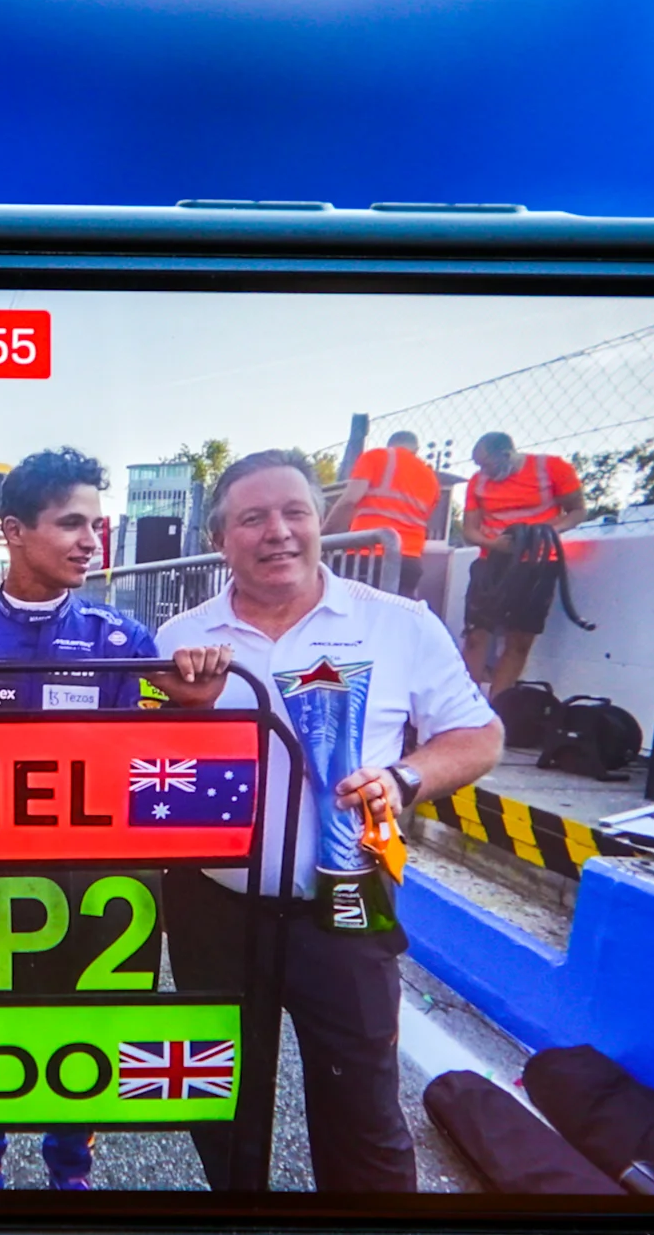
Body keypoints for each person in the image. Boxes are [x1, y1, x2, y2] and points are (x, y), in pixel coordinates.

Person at [152, 452, 505, 1194]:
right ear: (222, 538)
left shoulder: (399, 624)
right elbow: (146, 769)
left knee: (364, 1113)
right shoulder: (178, 637)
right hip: (212, 907)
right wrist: (185, 706)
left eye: (295, 513)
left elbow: (478, 735)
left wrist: (403, 778)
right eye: (253, 518)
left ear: (320, 524)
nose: (277, 532)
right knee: (220, 1107)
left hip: (350, 899)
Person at [0, 447, 160, 1192]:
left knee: (83, 1032)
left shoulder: (123, 641)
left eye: (97, 524)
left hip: (95, 887)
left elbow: (152, 769)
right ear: (14, 530)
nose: (90, 540)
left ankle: (68, 1171)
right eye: (71, 523)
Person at [454, 431, 584, 699]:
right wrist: (495, 544)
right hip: (491, 565)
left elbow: (578, 510)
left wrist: (548, 531)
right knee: (476, 636)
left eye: (486, 464)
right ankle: (464, 705)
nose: (483, 471)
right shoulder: (478, 482)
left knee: (519, 640)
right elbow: (470, 530)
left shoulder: (551, 469)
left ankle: (498, 709)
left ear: (506, 455)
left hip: (537, 565)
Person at [335, 427, 452, 608]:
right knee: (396, 619)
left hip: (368, 555)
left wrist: (323, 534)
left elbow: (350, 499)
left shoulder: (376, 457)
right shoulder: (430, 478)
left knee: (358, 618)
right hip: (409, 560)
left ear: (391, 444)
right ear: (416, 450)